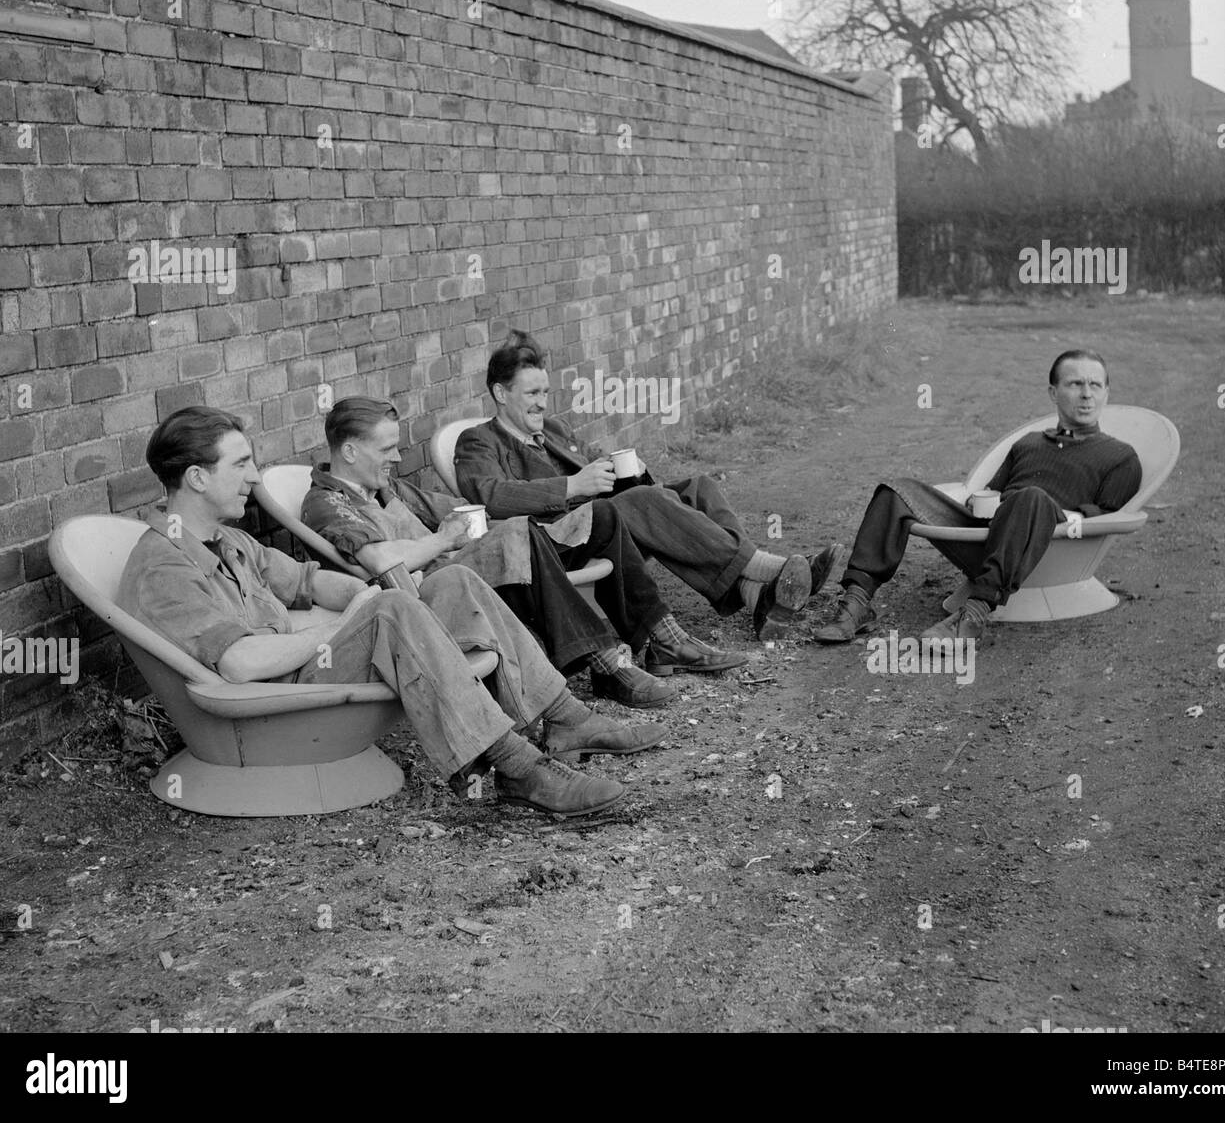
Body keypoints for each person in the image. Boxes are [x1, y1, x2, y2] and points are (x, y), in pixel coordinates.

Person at [117, 407, 664, 820]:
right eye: (240, 465)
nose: (255, 478)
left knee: (451, 580)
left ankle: (564, 717)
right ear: (196, 477)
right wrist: (351, 621)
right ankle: (518, 770)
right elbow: (238, 663)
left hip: (302, 664)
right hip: (267, 698)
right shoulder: (163, 567)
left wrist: (357, 592)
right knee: (393, 608)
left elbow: (307, 580)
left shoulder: (229, 540)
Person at [301, 396, 729, 707]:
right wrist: (446, 538)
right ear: (350, 451)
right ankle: (605, 665)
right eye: (386, 449)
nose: (397, 456)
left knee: (602, 516)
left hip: (460, 564)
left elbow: (452, 509)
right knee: (516, 535)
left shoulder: (384, 486)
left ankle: (663, 637)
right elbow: (378, 561)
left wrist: (528, 509)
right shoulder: (327, 503)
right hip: (431, 592)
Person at [454, 331, 844, 646]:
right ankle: (769, 569)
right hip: (559, 544)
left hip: (610, 527)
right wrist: (572, 485)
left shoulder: (554, 431)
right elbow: (490, 496)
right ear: (501, 394)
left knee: (697, 486)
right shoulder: (478, 442)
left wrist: (630, 472)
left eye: (545, 393)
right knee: (641, 502)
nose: (542, 404)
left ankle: (754, 594)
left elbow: (601, 470)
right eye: (532, 394)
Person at [815, 350, 1143, 644]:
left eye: (1095, 385)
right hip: (987, 536)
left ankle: (973, 613)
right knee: (896, 491)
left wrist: (1071, 514)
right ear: (1053, 393)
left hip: (1047, 544)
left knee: (1031, 497)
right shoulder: (1028, 442)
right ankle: (857, 601)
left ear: (1106, 393)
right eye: (1075, 384)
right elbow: (991, 494)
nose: (1087, 395)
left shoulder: (1119, 456)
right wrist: (979, 502)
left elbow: (1111, 515)